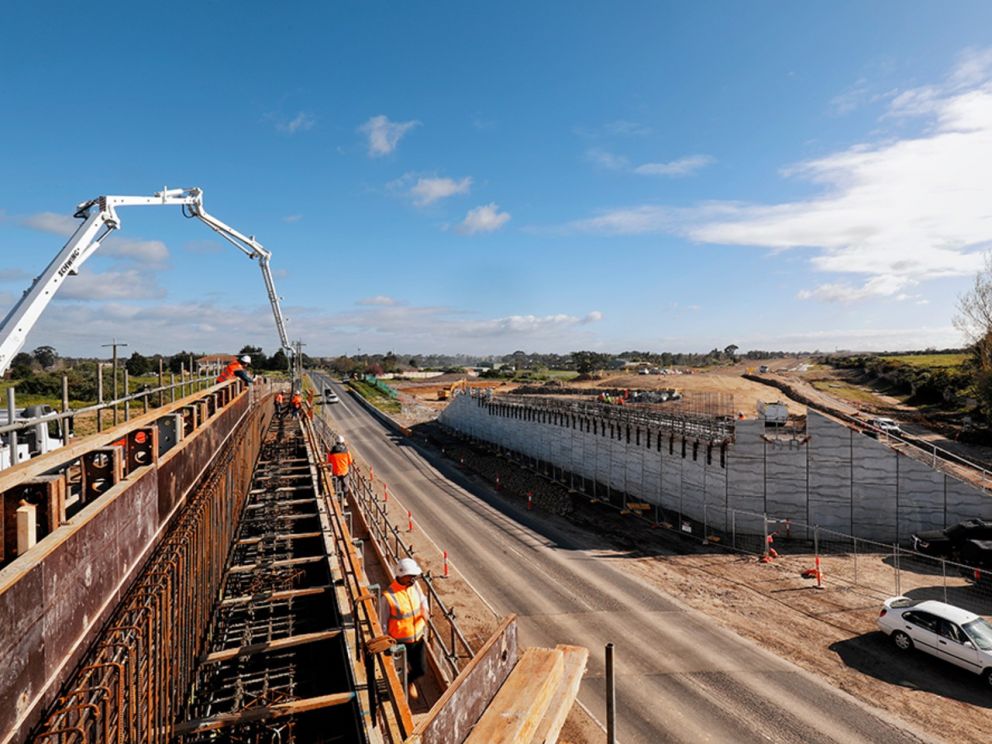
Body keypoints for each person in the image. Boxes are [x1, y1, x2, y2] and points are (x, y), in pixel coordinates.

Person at [382, 558, 428, 701]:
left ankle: (408, 681)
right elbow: (382, 621)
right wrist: (386, 642)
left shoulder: (414, 586)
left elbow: (422, 599)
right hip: (399, 643)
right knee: (398, 670)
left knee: (421, 669)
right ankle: (402, 687)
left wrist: (425, 610)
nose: (413, 578)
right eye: (411, 576)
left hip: (418, 638)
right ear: (401, 575)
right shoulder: (389, 596)